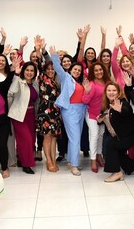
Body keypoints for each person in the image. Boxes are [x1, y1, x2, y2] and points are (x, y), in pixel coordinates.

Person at [50, 46, 87, 176]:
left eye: (79, 70)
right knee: (75, 138)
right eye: (75, 69)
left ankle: (71, 161)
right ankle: (74, 166)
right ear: (70, 70)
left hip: (81, 110)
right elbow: (58, 68)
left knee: (74, 138)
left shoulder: (81, 82)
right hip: (70, 110)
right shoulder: (66, 78)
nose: (77, 71)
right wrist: (54, 56)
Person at [97, 83, 134, 182]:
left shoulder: (122, 103)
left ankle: (117, 173)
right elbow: (107, 119)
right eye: (109, 90)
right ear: (105, 92)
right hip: (124, 135)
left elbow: (127, 111)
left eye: (114, 90)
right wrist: (100, 120)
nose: (111, 93)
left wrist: (121, 110)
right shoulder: (107, 105)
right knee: (116, 149)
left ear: (118, 92)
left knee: (111, 144)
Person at [7, 62, 39, 174]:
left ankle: (21, 159)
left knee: (30, 140)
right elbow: (11, 91)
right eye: (27, 70)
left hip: (31, 115)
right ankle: (26, 164)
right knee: (26, 139)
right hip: (19, 115)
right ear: (23, 71)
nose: (29, 73)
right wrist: (16, 75)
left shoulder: (35, 84)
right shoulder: (19, 81)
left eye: (32, 70)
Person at [82, 62, 110, 173]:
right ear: (93, 73)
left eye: (100, 69)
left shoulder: (107, 82)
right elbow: (85, 101)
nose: (99, 72)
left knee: (101, 135)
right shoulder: (92, 84)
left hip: (103, 115)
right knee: (94, 135)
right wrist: (87, 91)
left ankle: (99, 156)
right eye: (96, 70)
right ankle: (93, 160)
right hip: (92, 114)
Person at [36, 62, 62, 172]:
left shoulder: (56, 82)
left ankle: (53, 160)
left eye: (52, 69)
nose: (50, 71)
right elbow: (38, 62)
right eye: (48, 69)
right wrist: (38, 49)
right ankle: (48, 161)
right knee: (47, 137)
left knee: (54, 137)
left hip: (55, 113)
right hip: (44, 113)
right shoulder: (42, 78)